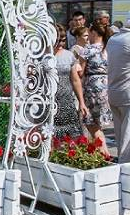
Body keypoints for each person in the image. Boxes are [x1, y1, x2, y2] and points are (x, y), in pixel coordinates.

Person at [81, 23, 112, 156]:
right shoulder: (107, 49)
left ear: (93, 33)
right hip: (106, 88)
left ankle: (104, 153)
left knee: (90, 123)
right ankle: (102, 153)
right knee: (97, 124)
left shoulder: (87, 50)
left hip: (92, 89)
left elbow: (80, 72)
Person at [51, 24, 87, 138]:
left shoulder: (69, 55)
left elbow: (75, 80)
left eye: (63, 40)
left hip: (67, 101)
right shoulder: (42, 56)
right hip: (49, 103)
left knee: (72, 137)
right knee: (51, 135)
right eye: (58, 40)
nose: (61, 44)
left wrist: (81, 102)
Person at [107, 14, 130, 163]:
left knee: (119, 134)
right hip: (127, 92)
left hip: (113, 90)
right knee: (127, 137)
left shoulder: (113, 39)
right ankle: (124, 169)